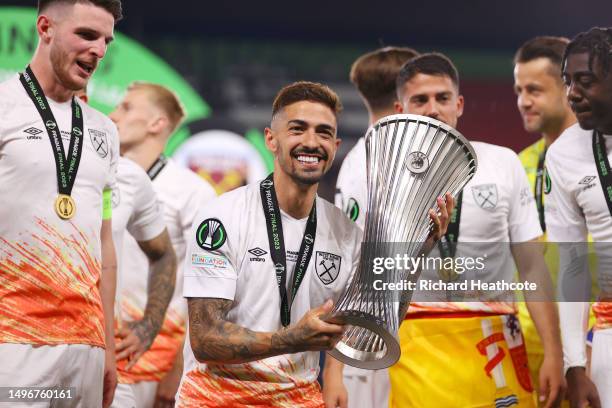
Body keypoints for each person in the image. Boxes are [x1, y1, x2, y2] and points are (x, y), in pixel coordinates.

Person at [177, 81, 454, 407]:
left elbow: (373, 328)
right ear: (271, 139)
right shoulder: (222, 217)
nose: (311, 142)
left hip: (300, 397)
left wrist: (416, 253)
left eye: (323, 133)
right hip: (216, 398)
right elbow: (205, 339)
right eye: (298, 129)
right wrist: (290, 339)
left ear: (335, 146)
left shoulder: (345, 232)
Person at [388, 53, 565, 408]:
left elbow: (532, 267)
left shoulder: (502, 163)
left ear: (460, 104)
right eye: (420, 100)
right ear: (399, 109)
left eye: (442, 98)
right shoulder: (384, 177)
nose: (433, 109)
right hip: (419, 344)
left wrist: (554, 354)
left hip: (494, 341)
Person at [0, 0, 122, 406]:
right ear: (45, 27)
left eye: (106, 40)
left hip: (85, 347)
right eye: (87, 35)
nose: (99, 50)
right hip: (13, 340)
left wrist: (106, 346)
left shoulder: (105, 131)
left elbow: (104, 244)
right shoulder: (4, 106)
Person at [109, 82, 216, 407]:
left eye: (126, 108)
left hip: (157, 359)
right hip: (100, 347)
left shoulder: (193, 193)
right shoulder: (101, 177)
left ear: (157, 124)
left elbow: (209, 287)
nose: (112, 116)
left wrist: (181, 368)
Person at [329, 45, 419, 408]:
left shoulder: (358, 155)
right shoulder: (391, 157)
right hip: (378, 328)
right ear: (404, 91)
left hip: (368, 326)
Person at [546, 26, 612, 408]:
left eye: (585, 81)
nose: (572, 94)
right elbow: (570, 264)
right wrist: (574, 365)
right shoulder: (564, 154)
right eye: (568, 81)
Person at [513, 35, 577, 402]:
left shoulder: (602, 159)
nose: (523, 101)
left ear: (568, 87)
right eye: (519, 89)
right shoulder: (518, 165)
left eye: (534, 89)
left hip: (591, 340)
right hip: (529, 347)